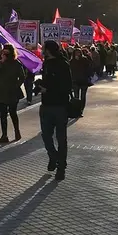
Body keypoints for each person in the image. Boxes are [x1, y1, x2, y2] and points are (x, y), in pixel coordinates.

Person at [37, 40, 73, 181]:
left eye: (43, 48)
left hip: (60, 106)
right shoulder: (46, 64)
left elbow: (66, 86)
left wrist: (48, 89)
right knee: (46, 136)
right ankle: (54, 157)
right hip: (46, 105)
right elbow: (47, 81)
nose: (42, 50)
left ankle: (61, 167)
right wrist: (39, 85)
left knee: (61, 138)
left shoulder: (63, 64)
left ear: (49, 50)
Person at [0, 44, 25, 143]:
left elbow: (22, 76)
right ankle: (4, 135)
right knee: (3, 114)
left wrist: (16, 85)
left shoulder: (16, 63)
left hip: (12, 91)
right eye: (4, 52)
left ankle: (17, 131)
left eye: (7, 52)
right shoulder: (0, 63)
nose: (5, 53)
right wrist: (1, 62)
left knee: (12, 112)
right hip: (2, 91)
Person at [70, 48, 92, 116]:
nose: (77, 54)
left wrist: (88, 76)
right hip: (75, 80)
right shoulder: (72, 61)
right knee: (76, 96)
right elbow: (70, 71)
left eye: (78, 53)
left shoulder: (84, 59)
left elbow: (89, 68)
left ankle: (81, 109)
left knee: (83, 96)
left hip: (84, 80)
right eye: (76, 53)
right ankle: (77, 110)